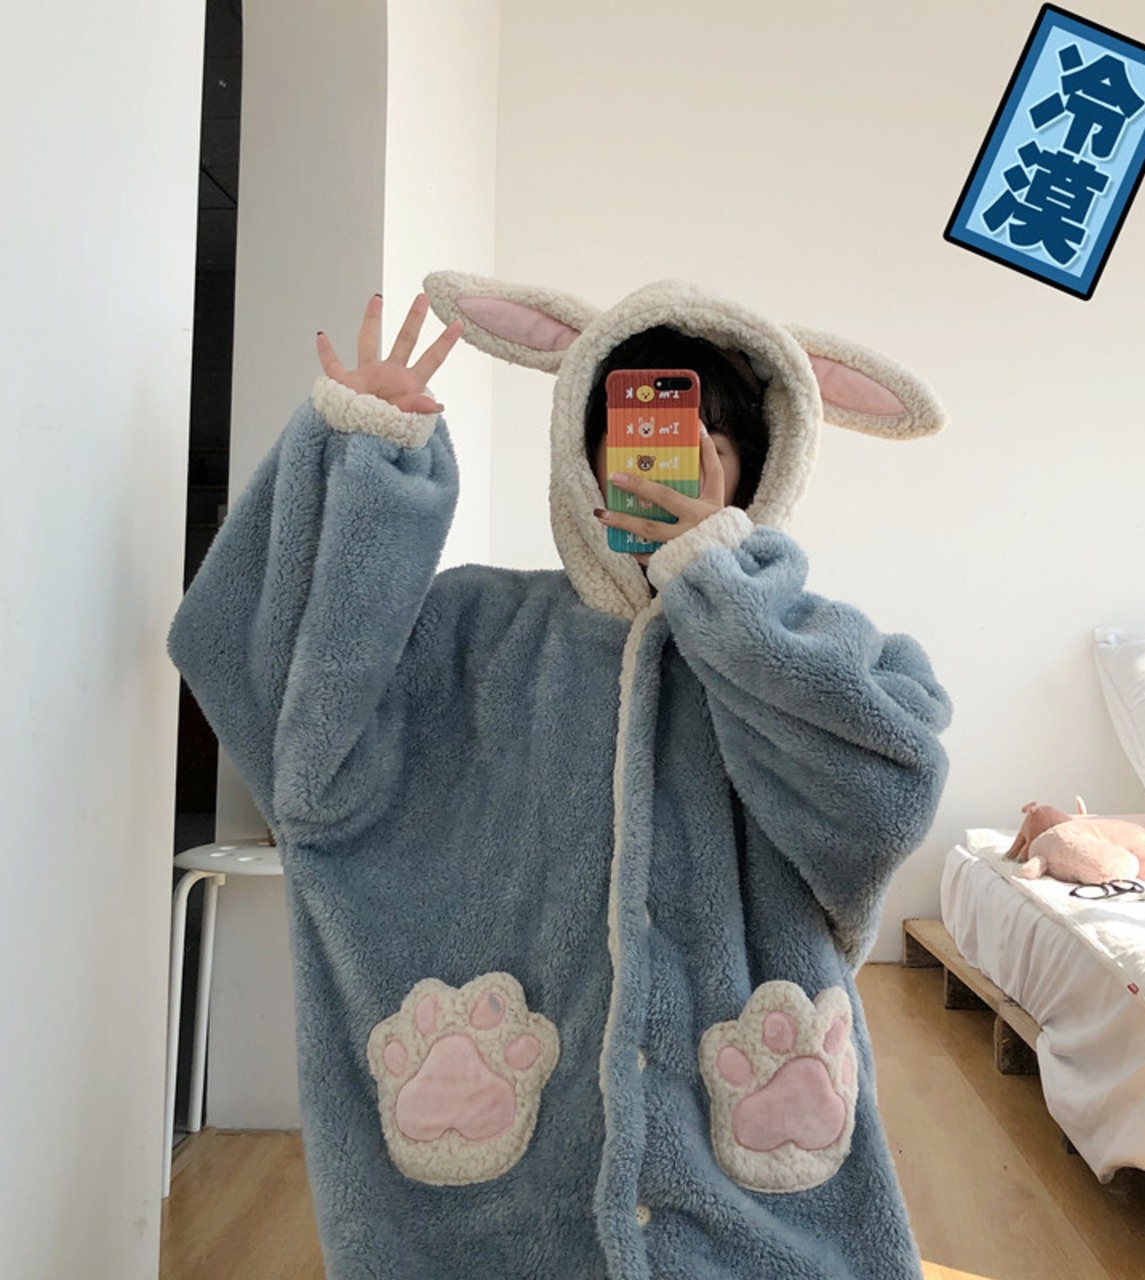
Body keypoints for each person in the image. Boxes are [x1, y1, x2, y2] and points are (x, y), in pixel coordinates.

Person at [169, 272, 952, 1280]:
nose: (675, 458)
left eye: (712, 437)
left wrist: (725, 590)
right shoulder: (472, 629)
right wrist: (365, 474)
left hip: (754, 1187)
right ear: (584, 454)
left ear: (760, 464)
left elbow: (881, 801)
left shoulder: (823, 652)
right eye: (641, 429)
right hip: (502, 1204)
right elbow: (288, 711)